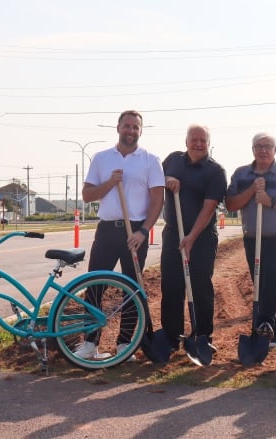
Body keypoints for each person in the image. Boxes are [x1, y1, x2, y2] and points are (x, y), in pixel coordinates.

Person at [74, 110, 165, 359]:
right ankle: (90, 343)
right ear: (118, 128)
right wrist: (111, 183)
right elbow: (87, 195)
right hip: (107, 230)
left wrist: (143, 231)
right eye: (127, 126)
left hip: (134, 232)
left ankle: (125, 344)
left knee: (131, 289)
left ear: (140, 131)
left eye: (136, 127)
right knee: (94, 286)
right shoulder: (102, 158)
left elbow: (158, 199)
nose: (131, 131)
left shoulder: (150, 160)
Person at [226, 132, 276, 347]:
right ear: (253, 150)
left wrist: (270, 201)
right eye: (259, 146)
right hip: (253, 237)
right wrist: (252, 190)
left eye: (268, 146)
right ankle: (270, 329)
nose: (263, 150)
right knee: (259, 281)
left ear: (275, 150)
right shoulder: (241, 174)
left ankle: (265, 325)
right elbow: (231, 205)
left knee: (270, 274)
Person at [161, 124, 227, 353]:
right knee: (171, 285)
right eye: (194, 139)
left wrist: (191, 238)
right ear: (186, 140)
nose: (198, 144)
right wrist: (168, 178)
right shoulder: (172, 160)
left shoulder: (215, 172)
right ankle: (171, 337)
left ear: (209, 143)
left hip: (202, 237)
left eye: (203, 140)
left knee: (200, 287)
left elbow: (209, 208)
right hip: (172, 233)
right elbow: (155, 179)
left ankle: (202, 335)